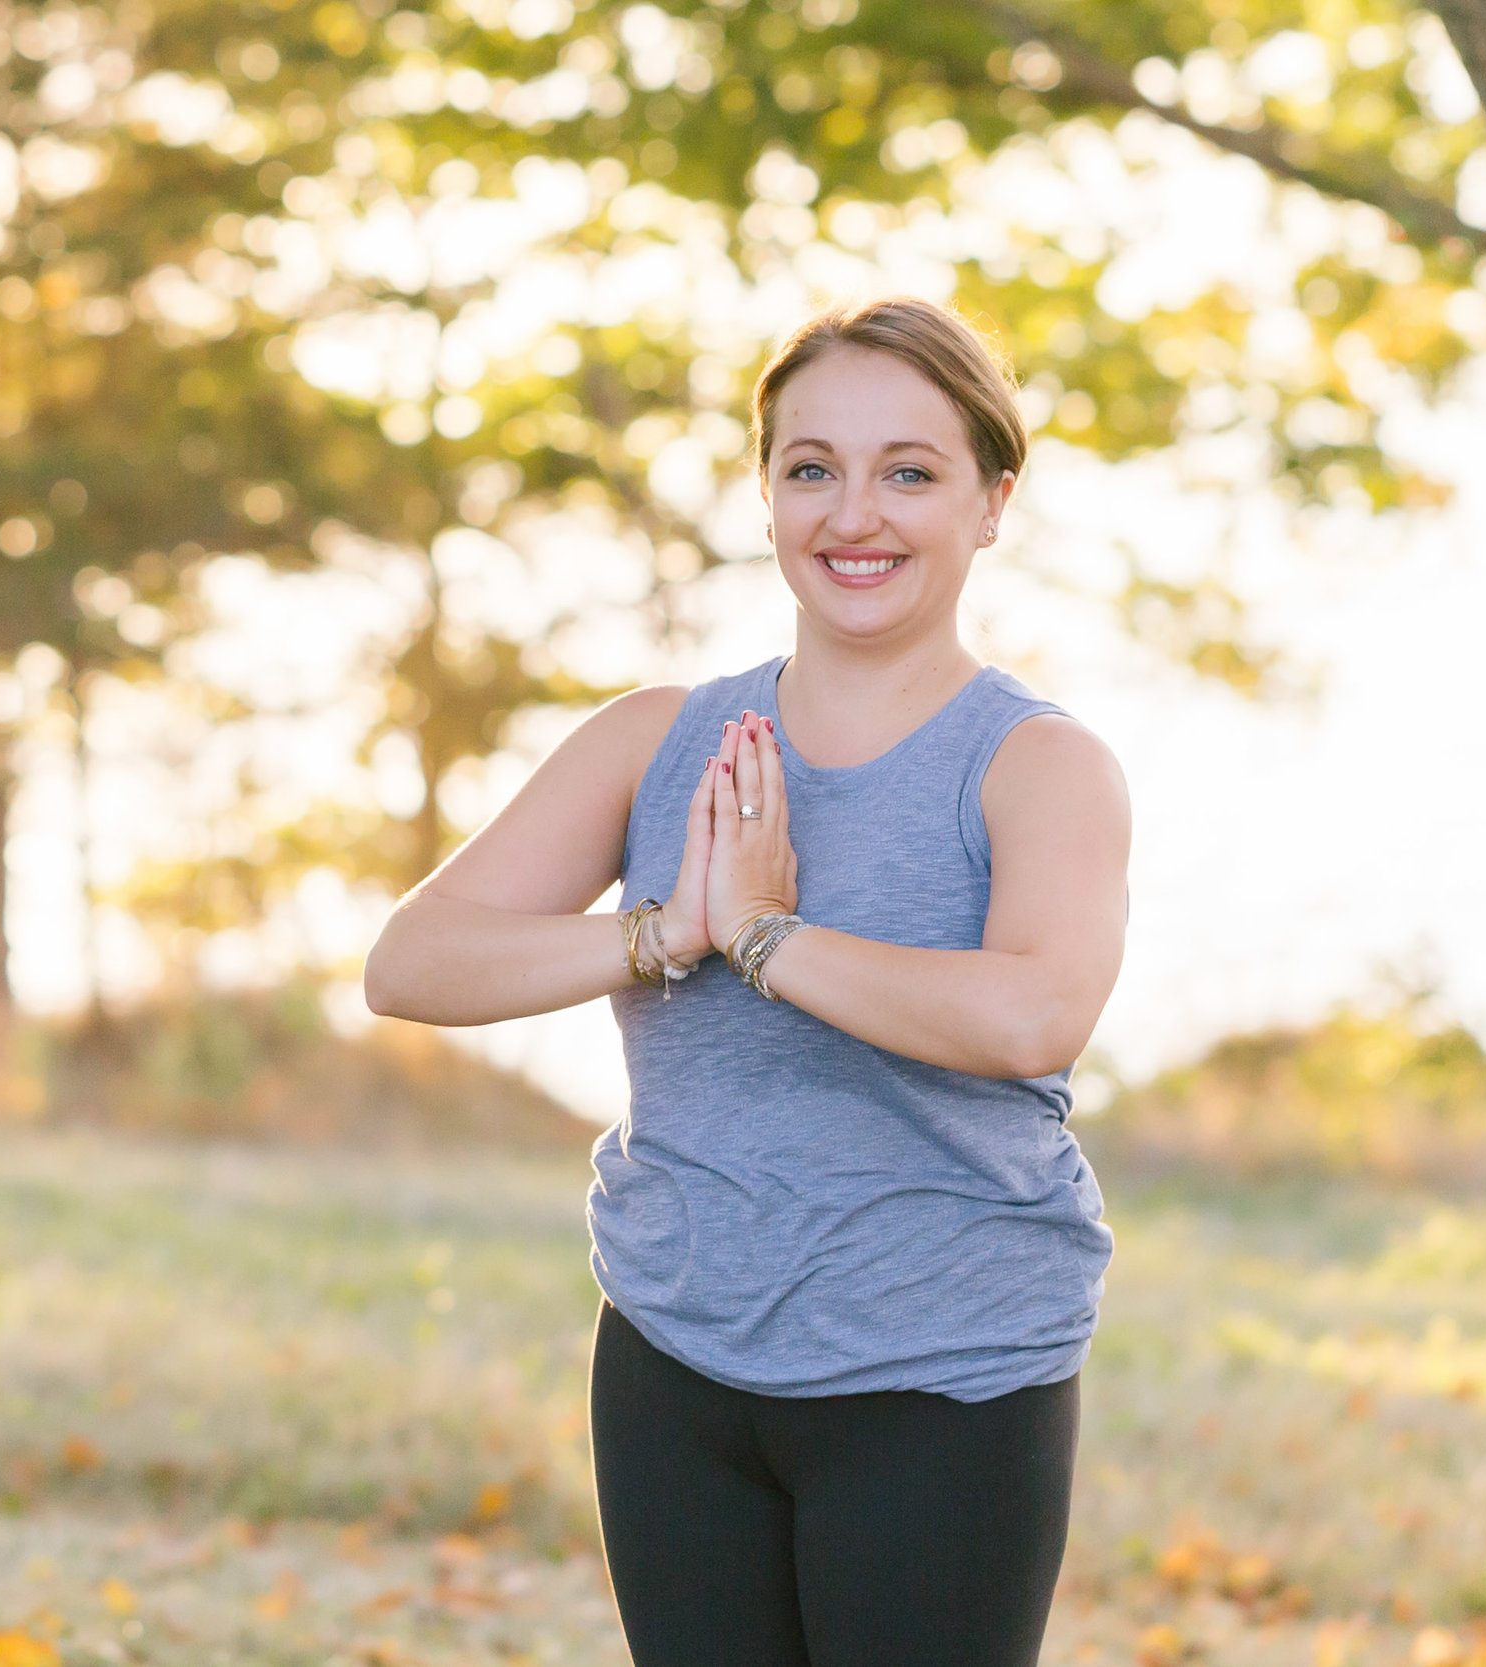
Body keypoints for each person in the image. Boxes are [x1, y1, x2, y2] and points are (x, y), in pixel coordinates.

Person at [361, 294, 1129, 1666]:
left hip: (939, 1378)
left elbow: (1031, 1015)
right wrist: (664, 934)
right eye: (810, 468)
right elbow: (413, 963)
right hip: (674, 1364)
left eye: (911, 471)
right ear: (767, 492)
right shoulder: (657, 739)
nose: (855, 515)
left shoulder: (1036, 765)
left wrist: (770, 937)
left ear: (992, 501)